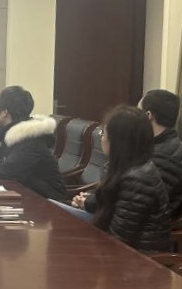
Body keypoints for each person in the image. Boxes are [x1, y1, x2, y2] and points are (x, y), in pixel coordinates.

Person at [72, 105, 171, 252]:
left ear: (118, 141)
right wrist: (87, 202)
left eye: (103, 133)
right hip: (115, 244)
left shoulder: (137, 179)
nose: (101, 138)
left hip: (137, 258)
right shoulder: (126, 167)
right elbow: (113, 204)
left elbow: (118, 241)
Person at [0, 86, 69, 202]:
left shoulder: (30, 139)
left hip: (48, 203)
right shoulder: (13, 134)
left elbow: (7, 171)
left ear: (4, 112)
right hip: (29, 195)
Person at [138, 89, 182, 219]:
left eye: (137, 112)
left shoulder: (166, 156)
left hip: (147, 224)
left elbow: (144, 203)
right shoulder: (156, 145)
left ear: (148, 115)